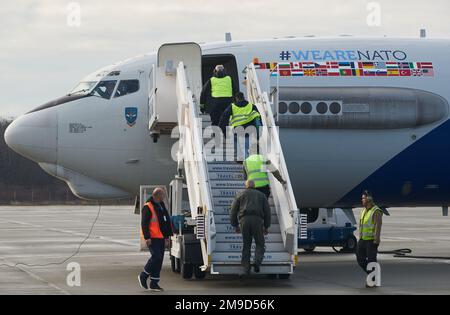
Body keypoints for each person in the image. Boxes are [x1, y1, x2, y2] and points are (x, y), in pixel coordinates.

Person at [230, 180, 271, 274]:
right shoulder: (261, 195)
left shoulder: (240, 194)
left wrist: (235, 225)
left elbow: (233, 211)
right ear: (254, 186)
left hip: (244, 220)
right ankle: (257, 262)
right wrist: (266, 226)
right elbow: (267, 212)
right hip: (257, 220)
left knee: (246, 244)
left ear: (246, 186)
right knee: (260, 243)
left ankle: (246, 266)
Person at [138, 188, 173, 291]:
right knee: (156, 257)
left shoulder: (161, 205)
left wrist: (166, 237)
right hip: (152, 238)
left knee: (159, 260)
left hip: (161, 237)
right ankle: (143, 275)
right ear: (157, 195)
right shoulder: (147, 207)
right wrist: (147, 237)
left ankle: (154, 282)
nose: (164, 197)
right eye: (162, 195)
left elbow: (165, 223)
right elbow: (144, 224)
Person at [219, 92, 262, 160]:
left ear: (236, 98)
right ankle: (247, 159)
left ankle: (243, 159)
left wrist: (224, 132)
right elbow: (257, 119)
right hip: (249, 131)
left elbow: (223, 118)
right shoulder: (252, 106)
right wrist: (258, 134)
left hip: (237, 132)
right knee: (246, 148)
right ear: (243, 97)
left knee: (240, 148)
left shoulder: (232, 106)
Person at [356, 190, 383, 286]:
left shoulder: (376, 211)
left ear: (369, 199)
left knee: (372, 261)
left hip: (371, 241)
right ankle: (373, 275)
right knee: (360, 259)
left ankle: (372, 280)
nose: (362, 200)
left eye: (363, 198)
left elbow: (377, 226)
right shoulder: (364, 211)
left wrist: (376, 239)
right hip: (363, 239)